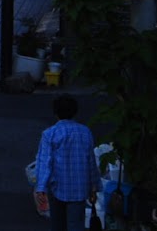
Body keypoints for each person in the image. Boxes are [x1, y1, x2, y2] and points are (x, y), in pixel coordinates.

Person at [34, 95, 99, 231]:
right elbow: (91, 161)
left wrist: (41, 187)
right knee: (76, 224)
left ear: (55, 112)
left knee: (57, 224)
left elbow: (45, 161)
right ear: (75, 112)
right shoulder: (85, 132)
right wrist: (94, 186)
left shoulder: (50, 134)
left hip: (58, 185)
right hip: (80, 188)